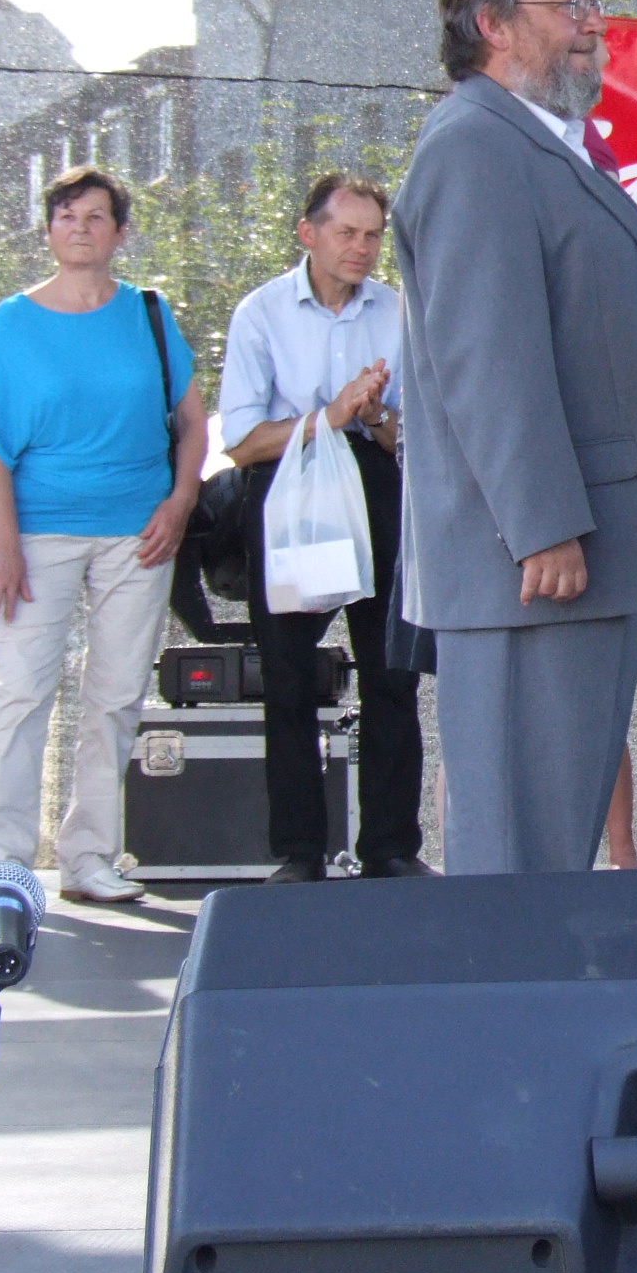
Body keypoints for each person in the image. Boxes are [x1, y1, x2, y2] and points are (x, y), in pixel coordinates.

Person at [393, 0, 637, 875]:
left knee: (550, 846)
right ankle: (499, 980)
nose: (593, 25)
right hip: (533, 568)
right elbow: (487, 358)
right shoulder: (475, 148)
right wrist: (542, 525)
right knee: (515, 850)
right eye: (569, 5)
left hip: (584, 553)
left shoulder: (547, 145)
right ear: (492, 23)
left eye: (593, 3)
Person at [0, 167, 203, 906]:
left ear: (119, 232)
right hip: (38, 534)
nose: (79, 227)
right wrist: (4, 547)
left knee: (116, 695)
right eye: (65, 215)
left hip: (139, 534)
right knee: (22, 691)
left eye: (95, 216)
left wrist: (180, 502)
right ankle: (0, 864)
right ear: (48, 230)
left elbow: (193, 422)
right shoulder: (14, 319)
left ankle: (90, 856)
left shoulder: (149, 311)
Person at [221, 174, 427, 883]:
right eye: (347, 233)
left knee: (392, 672)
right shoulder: (262, 312)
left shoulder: (397, 310)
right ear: (308, 234)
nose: (361, 248)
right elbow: (241, 443)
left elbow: (414, 437)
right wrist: (328, 418)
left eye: (373, 235)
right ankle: (300, 852)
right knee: (288, 676)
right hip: (290, 490)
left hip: (375, 485)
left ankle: (390, 847)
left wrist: (373, 416)